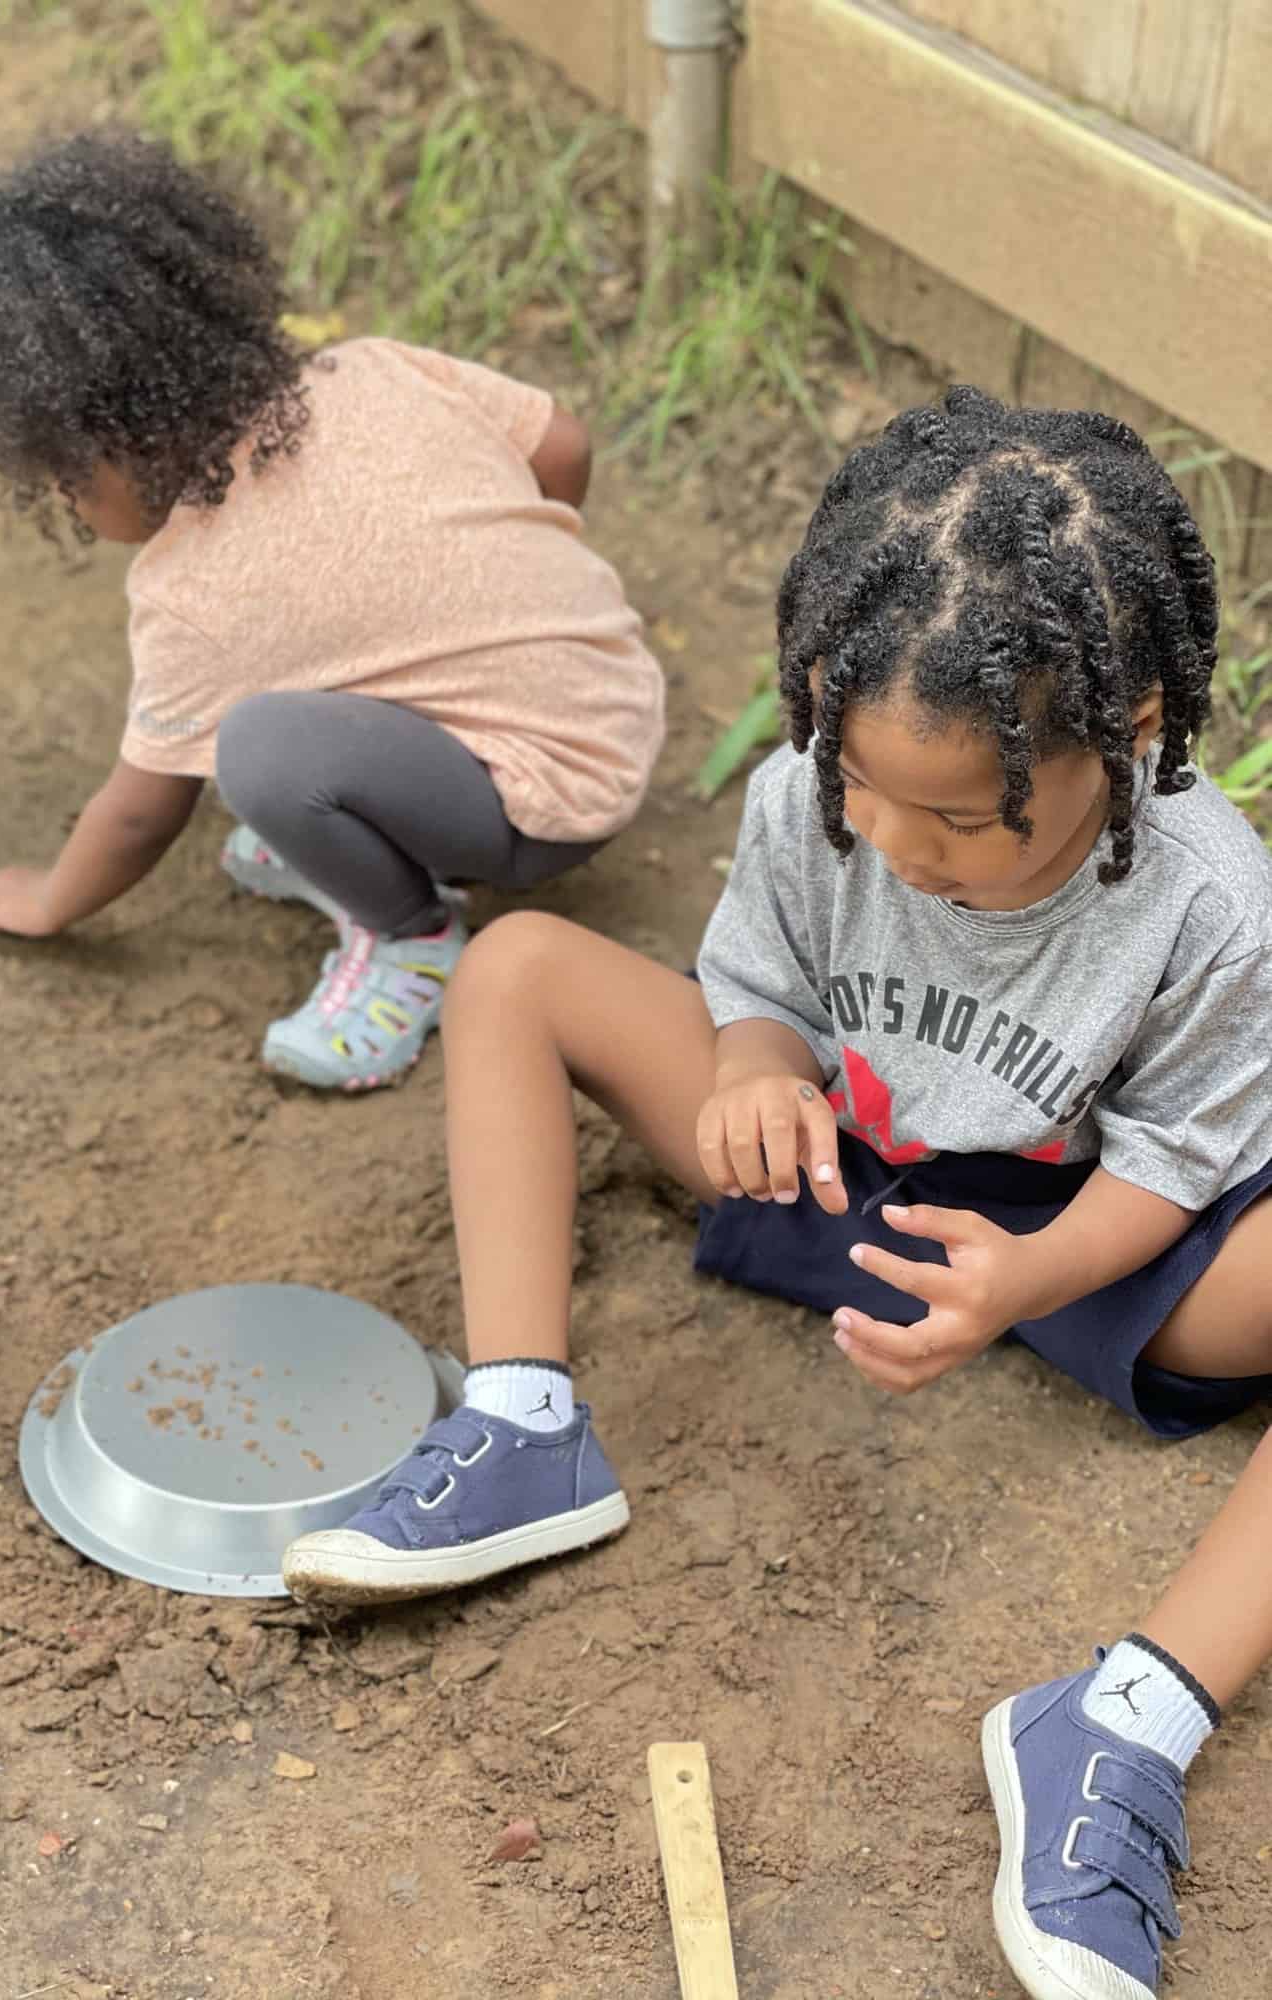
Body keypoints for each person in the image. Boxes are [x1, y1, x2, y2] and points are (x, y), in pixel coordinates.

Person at [281, 390, 1272, 2000]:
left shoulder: (1211, 901)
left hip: (1085, 1245)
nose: (893, 842)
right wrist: (750, 1068)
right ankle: (527, 1421)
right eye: (863, 791)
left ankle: (1123, 1721)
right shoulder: (824, 792)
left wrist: (1022, 1281)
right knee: (522, 970)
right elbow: (756, 981)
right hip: (840, 1160)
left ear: (1136, 724)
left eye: (959, 817)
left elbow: (1171, 1164)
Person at [0, 130, 663, 1090]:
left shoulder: (191, 594)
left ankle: (410, 940)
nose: (63, 503)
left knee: (260, 753)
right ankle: (388, 821)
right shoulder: (375, 369)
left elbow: (140, 814)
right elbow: (564, 447)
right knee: (317, 705)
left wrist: (50, 900)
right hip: (614, 694)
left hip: (546, 814)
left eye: (59, 480)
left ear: (104, 449)